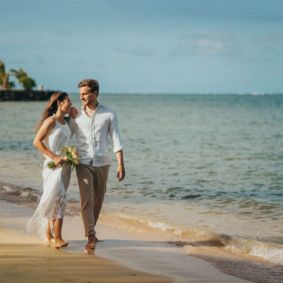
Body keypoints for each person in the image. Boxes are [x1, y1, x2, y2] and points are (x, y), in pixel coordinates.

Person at [70, 79, 125, 253]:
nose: (82, 97)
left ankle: (91, 229)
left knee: (98, 200)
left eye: (85, 93)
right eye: (80, 94)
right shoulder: (76, 115)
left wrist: (120, 165)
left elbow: (116, 140)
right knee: (86, 200)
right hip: (82, 163)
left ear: (95, 93)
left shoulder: (109, 114)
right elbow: (66, 134)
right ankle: (91, 236)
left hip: (103, 163)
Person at [26, 92, 74, 248]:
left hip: (65, 166)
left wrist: (71, 156)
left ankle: (48, 235)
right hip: (53, 166)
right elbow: (36, 142)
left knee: (54, 198)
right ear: (60, 103)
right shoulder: (51, 121)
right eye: (68, 101)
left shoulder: (66, 122)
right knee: (60, 198)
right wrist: (54, 157)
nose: (71, 103)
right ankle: (58, 237)